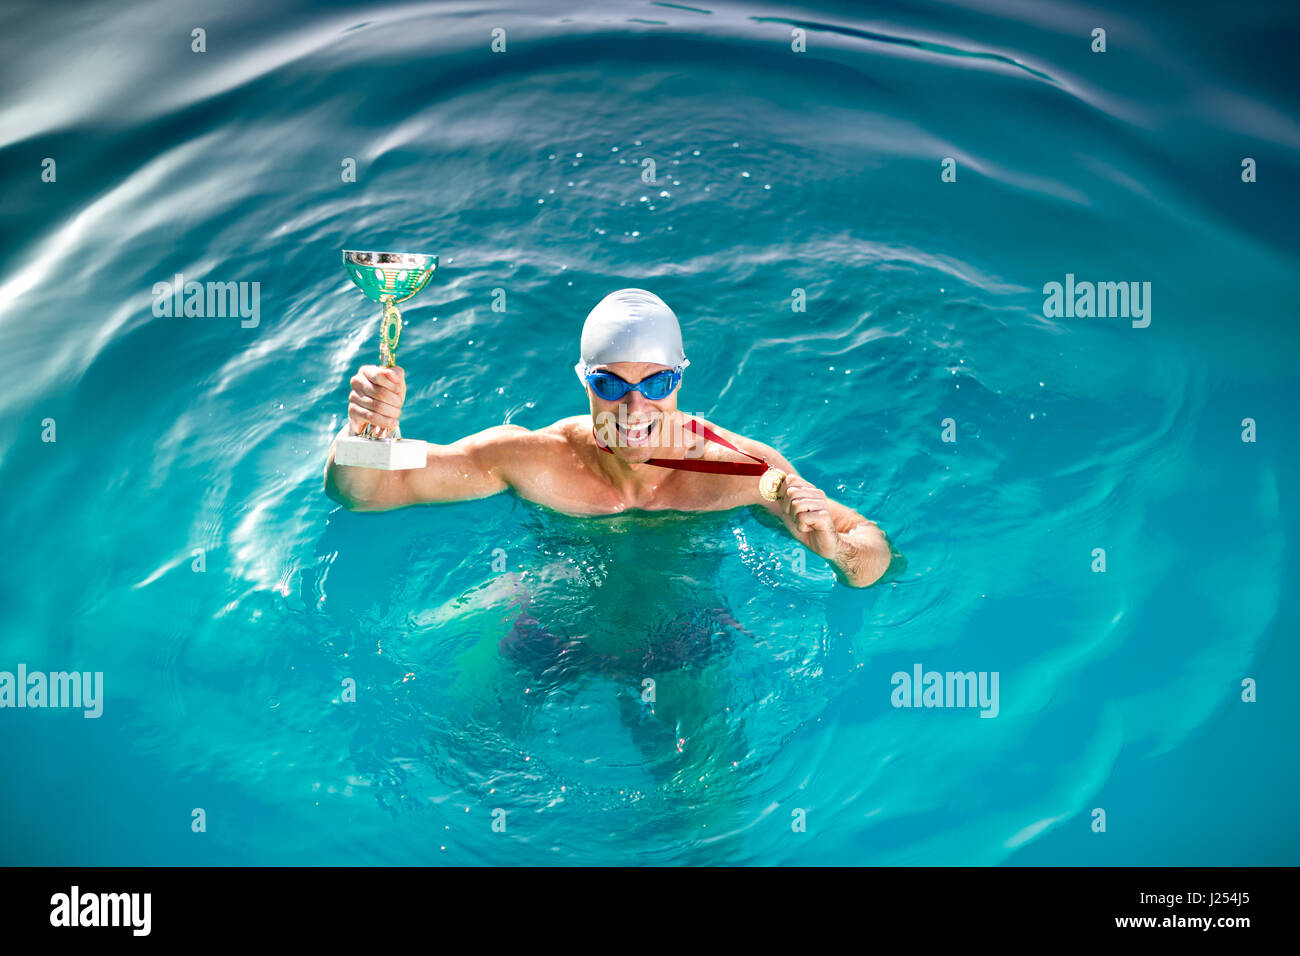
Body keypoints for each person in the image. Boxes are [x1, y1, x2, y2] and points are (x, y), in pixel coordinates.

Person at [324, 289, 893, 587]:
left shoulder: (743, 471)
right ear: (584, 382)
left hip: (682, 636)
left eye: (657, 382)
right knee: (460, 741)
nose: (635, 405)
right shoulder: (531, 458)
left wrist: (837, 551)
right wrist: (367, 429)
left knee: (705, 795)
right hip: (551, 616)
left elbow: (872, 546)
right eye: (610, 382)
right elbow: (369, 492)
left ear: (681, 379)